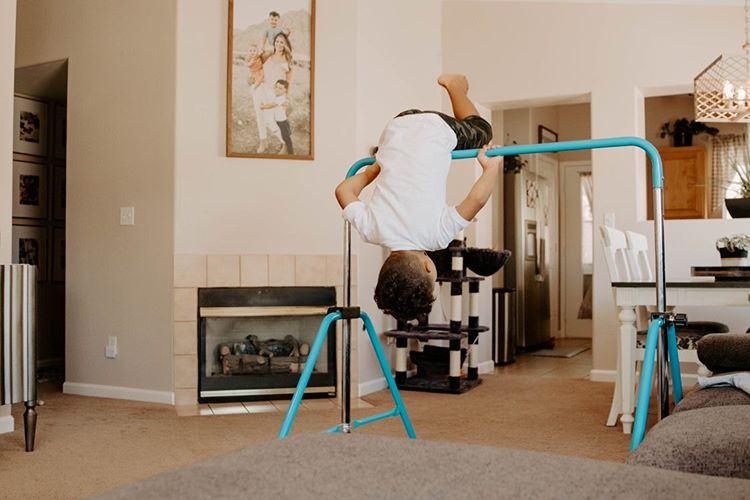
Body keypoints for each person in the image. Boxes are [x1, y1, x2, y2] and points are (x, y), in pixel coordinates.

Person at [335, 75, 501, 321]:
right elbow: (343, 191)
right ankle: (454, 90)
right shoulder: (371, 231)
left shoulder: (437, 238)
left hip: (436, 129)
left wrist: (491, 169)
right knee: (454, 138)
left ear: (427, 267)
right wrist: (372, 171)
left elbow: (475, 201)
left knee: (481, 130)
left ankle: (455, 86)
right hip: (396, 128)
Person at [258, 32, 293, 153]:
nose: (279, 44)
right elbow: (257, 65)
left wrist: (286, 98)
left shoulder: (287, 60)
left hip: (277, 94)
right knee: (264, 119)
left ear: (285, 44)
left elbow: (288, 81)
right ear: (274, 42)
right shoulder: (268, 54)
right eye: (277, 41)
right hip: (263, 89)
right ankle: (267, 142)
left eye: (282, 42)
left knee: (277, 120)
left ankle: (284, 144)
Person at [261, 79, 294, 154]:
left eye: (280, 88)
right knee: (281, 134)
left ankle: (291, 152)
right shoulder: (277, 96)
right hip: (278, 121)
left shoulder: (281, 98)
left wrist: (263, 107)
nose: (277, 89)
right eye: (276, 87)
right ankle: (282, 145)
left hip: (282, 122)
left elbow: (272, 105)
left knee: (286, 138)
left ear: (285, 90)